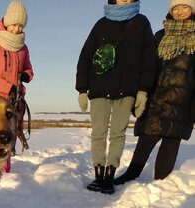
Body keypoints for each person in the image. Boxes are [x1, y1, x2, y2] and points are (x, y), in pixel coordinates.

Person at [75, 0, 156, 194]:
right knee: (99, 133)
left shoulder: (141, 23)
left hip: (127, 89)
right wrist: (82, 89)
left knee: (118, 134)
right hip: (100, 89)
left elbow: (149, 60)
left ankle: (109, 177)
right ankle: (98, 176)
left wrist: (143, 91)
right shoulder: (101, 23)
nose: (125, 0)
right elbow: (85, 56)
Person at [114, 0, 195, 185]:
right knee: (146, 140)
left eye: (184, 7)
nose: (180, 11)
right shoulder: (160, 36)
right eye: (176, 8)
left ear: (192, 9)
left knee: (171, 144)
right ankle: (131, 175)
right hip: (157, 97)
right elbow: (146, 66)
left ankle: (160, 184)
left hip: (184, 100)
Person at [0, 0, 34, 173]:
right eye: (14, 25)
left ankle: (6, 174)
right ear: (7, 22)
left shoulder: (23, 47)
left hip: (16, 100)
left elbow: (29, 68)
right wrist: (7, 87)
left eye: (21, 26)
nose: (17, 29)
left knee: (11, 137)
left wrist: (27, 75)